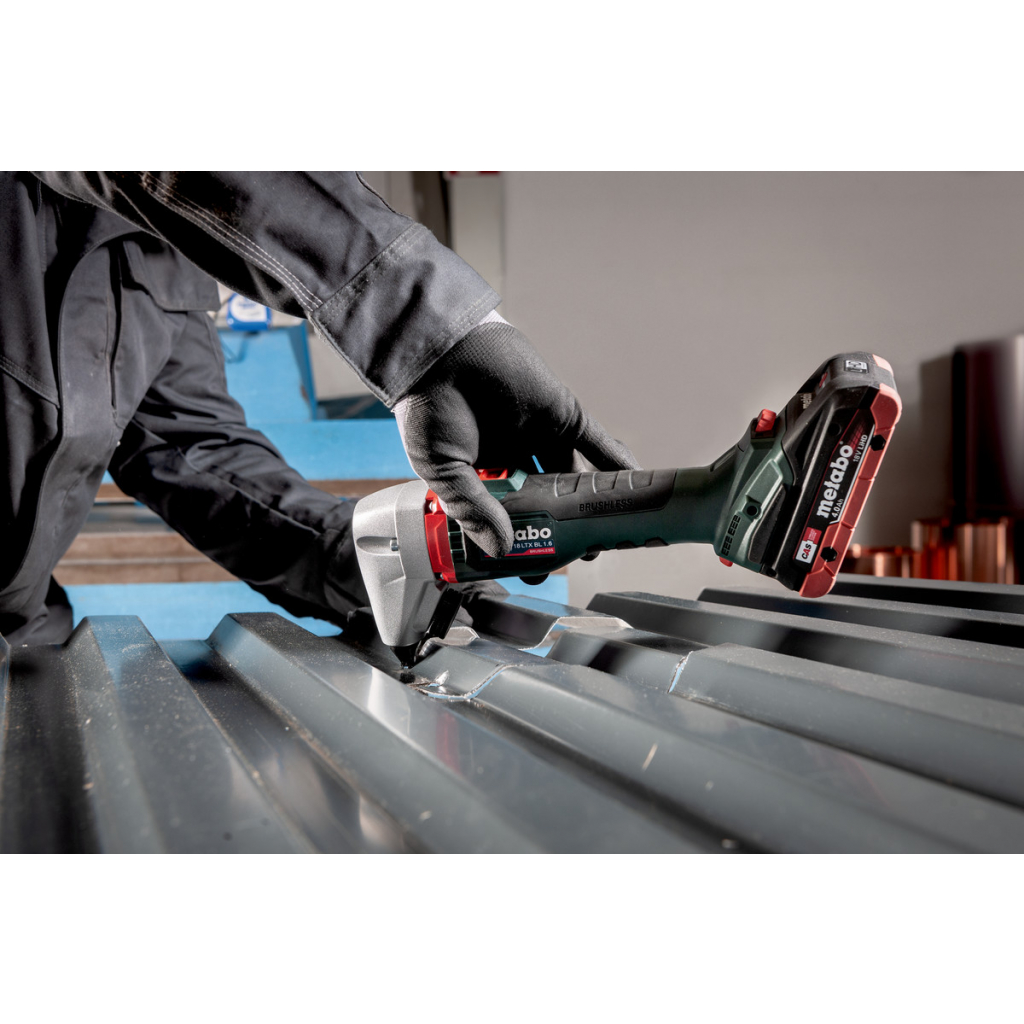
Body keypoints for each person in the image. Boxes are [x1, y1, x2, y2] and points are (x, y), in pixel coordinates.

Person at [0, 172, 637, 645]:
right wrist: (428, 326)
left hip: (26, 640)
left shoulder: (159, 248)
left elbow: (193, 451)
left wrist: (382, 562)